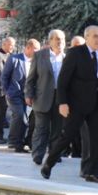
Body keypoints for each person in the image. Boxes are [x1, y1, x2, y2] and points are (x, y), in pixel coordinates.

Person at [41, 26, 98, 184]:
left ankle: (92, 173)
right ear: (86, 37)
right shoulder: (76, 53)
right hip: (76, 103)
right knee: (68, 136)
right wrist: (62, 102)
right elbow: (63, 80)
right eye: (95, 36)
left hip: (96, 104)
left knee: (97, 139)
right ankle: (49, 163)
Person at [26, 29, 66, 166]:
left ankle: (54, 155)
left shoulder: (67, 57)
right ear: (50, 41)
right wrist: (29, 94)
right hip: (42, 97)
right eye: (57, 39)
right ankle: (38, 155)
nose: (60, 42)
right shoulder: (40, 56)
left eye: (62, 39)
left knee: (57, 129)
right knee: (41, 128)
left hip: (61, 99)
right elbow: (31, 78)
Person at [1, 37, 33, 153]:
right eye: (36, 49)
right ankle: (15, 141)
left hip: (28, 95)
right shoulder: (14, 59)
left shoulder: (36, 61)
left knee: (25, 118)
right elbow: (4, 76)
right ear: (28, 48)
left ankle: (17, 141)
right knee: (20, 115)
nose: (38, 52)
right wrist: (7, 92)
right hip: (14, 94)